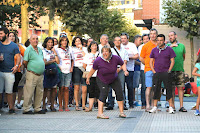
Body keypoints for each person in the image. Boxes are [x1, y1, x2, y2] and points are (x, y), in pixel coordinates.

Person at [86, 45, 129, 119]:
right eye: (103, 52)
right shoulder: (98, 60)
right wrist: (88, 77)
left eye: (106, 51)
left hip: (114, 78)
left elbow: (122, 64)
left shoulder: (115, 58)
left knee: (119, 92)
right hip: (102, 79)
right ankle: (100, 113)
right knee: (103, 93)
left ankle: (121, 112)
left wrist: (125, 71)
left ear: (110, 52)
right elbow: (93, 69)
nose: (105, 53)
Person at [149, 34, 176, 114]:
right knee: (156, 89)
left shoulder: (169, 49)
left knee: (169, 89)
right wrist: (153, 71)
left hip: (166, 73)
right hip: (157, 72)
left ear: (164, 41)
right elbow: (151, 61)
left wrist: (169, 70)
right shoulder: (154, 50)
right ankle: (154, 107)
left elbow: (172, 61)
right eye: (158, 40)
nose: (159, 42)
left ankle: (171, 107)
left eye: (161, 40)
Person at [23, 34, 45, 114]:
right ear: (30, 40)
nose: (35, 40)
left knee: (39, 92)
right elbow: (25, 62)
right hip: (31, 73)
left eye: (36, 39)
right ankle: (26, 109)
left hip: (40, 74)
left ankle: (37, 108)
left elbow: (42, 59)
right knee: (29, 92)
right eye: (33, 39)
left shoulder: (39, 49)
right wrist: (30, 68)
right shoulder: (28, 49)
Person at [0, 27, 21, 114]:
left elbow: (18, 56)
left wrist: (16, 66)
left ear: (6, 34)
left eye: (1, 34)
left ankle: (11, 108)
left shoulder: (13, 45)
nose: (0, 36)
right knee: (0, 92)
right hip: (0, 71)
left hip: (10, 71)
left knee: (9, 91)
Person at [106, 37, 129, 110]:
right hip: (112, 70)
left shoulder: (124, 51)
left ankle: (123, 104)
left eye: (119, 40)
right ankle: (110, 104)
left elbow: (125, 61)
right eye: (116, 40)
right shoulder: (111, 50)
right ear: (114, 42)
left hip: (121, 69)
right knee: (110, 87)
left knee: (121, 87)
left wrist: (120, 69)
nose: (118, 42)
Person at [167, 31, 187, 112]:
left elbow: (183, 57)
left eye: (171, 35)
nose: (170, 37)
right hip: (170, 70)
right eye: (169, 36)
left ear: (176, 36)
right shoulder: (167, 46)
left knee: (180, 88)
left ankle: (181, 106)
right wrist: (171, 46)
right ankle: (172, 106)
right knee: (171, 88)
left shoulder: (182, 46)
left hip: (179, 69)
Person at [140, 28, 158, 112]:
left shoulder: (159, 44)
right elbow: (141, 58)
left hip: (158, 70)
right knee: (149, 87)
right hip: (148, 69)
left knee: (156, 88)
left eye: (154, 33)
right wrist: (147, 64)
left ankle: (154, 105)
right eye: (151, 33)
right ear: (149, 35)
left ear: (156, 34)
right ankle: (147, 105)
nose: (153, 35)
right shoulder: (146, 46)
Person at [56, 36, 74, 111]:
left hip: (68, 70)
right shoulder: (57, 50)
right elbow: (56, 60)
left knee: (67, 88)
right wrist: (58, 67)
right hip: (61, 70)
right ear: (60, 42)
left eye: (66, 40)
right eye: (63, 41)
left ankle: (66, 105)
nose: (64, 42)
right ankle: (60, 105)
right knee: (61, 88)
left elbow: (72, 59)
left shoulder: (70, 49)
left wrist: (71, 67)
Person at [121, 33, 139, 108]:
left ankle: (131, 103)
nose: (123, 40)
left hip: (130, 69)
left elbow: (137, 55)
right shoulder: (119, 45)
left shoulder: (132, 45)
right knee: (121, 87)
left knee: (130, 86)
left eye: (124, 38)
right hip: (120, 69)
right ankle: (123, 103)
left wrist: (129, 57)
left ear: (127, 39)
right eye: (121, 38)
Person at [42, 37, 60, 112]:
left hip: (54, 71)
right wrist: (53, 61)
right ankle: (43, 105)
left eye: (51, 42)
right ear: (46, 43)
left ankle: (52, 105)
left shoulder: (54, 51)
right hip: (46, 71)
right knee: (45, 88)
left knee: (54, 88)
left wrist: (55, 53)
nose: (50, 44)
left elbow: (58, 61)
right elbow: (44, 62)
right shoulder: (43, 51)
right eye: (49, 42)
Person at [8, 32, 26, 109]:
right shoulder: (4, 45)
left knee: (15, 88)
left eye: (13, 36)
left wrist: (22, 65)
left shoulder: (18, 47)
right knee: (8, 89)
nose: (11, 37)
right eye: (10, 36)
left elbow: (26, 55)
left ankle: (14, 104)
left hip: (16, 70)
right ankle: (8, 104)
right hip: (6, 69)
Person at [83, 41, 100, 112]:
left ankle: (100, 107)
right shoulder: (87, 55)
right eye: (93, 46)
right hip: (90, 75)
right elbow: (84, 65)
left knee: (99, 91)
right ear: (90, 47)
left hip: (99, 75)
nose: (94, 47)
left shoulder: (100, 54)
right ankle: (90, 107)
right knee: (91, 91)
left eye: (95, 46)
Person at [72, 36, 87, 111]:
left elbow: (86, 57)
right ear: (74, 43)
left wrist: (81, 50)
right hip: (76, 68)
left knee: (84, 88)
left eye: (79, 41)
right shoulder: (72, 49)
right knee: (76, 87)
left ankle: (83, 105)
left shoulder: (85, 49)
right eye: (76, 41)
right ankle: (77, 104)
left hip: (84, 69)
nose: (78, 42)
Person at [138, 34, 150, 109]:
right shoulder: (141, 47)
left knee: (151, 86)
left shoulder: (152, 45)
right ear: (142, 40)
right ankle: (143, 103)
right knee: (144, 86)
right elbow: (141, 58)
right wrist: (148, 64)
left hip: (152, 69)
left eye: (147, 39)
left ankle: (151, 103)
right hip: (144, 68)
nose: (146, 40)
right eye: (144, 39)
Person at [133, 35, 142, 106]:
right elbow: (133, 60)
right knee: (134, 85)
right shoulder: (133, 48)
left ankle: (135, 100)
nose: (141, 41)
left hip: (138, 69)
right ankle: (133, 100)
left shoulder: (139, 48)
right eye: (140, 40)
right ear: (135, 40)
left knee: (136, 85)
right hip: (134, 69)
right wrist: (140, 63)